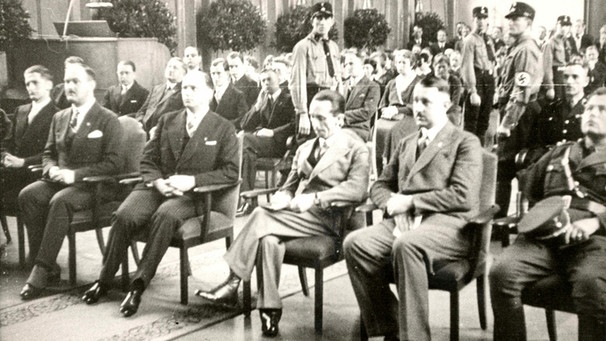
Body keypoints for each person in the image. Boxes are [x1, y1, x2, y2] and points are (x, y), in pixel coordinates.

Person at [196, 90, 369, 338]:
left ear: (339, 120)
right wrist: (284, 196)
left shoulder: (356, 148)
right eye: (312, 117)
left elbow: (357, 189)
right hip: (297, 214)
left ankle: (233, 282)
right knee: (268, 240)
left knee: (260, 215)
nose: (315, 124)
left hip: (331, 218)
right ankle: (270, 311)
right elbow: (289, 184)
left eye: (322, 119)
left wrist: (315, 198)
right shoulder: (306, 146)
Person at [81, 70, 240, 317]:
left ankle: (137, 285)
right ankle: (104, 279)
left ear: (209, 93)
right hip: (157, 188)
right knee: (124, 214)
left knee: (165, 215)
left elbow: (230, 172)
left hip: (194, 195)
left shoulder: (223, 128)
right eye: (185, 88)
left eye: (194, 88)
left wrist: (192, 181)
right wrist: (157, 182)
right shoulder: (168, 120)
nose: (187, 93)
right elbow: (147, 159)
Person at [344, 76, 483, 341]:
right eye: (414, 101)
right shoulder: (406, 142)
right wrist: (394, 207)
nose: (417, 108)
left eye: (425, 102)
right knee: (355, 244)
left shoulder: (465, 142)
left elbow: (462, 195)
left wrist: (410, 203)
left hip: (451, 225)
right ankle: (392, 324)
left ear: (445, 104)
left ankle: (415, 337)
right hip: (404, 221)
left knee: (406, 246)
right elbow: (380, 186)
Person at [490, 86, 606, 341]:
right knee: (501, 273)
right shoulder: (561, 152)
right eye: (589, 109)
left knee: (591, 285)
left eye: (601, 109)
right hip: (544, 238)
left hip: (595, 241)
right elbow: (526, 184)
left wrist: (595, 222)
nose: (592, 114)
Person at [18, 62, 123, 300]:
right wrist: (51, 167)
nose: (70, 86)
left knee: (60, 200)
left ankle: (40, 271)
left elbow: (114, 164)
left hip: (93, 187)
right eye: (67, 82)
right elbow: (48, 152)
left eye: (76, 81)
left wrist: (75, 175)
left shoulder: (108, 119)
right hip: (59, 180)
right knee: (29, 195)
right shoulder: (60, 117)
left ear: (92, 85)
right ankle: (47, 263)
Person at [495, 2, 543, 219]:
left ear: (529, 22)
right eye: (510, 18)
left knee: (504, 167)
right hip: (516, 111)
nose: (511, 22)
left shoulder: (525, 49)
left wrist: (507, 123)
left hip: (519, 115)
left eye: (517, 19)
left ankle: (499, 223)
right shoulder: (518, 47)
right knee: (507, 168)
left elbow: (521, 93)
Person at [237, 68, 296, 216]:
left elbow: (294, 124)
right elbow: (245, 125)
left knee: (243, 140)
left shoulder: (288, 98)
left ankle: (244, 199)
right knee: (246, 152)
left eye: (269, 79)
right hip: (262, 144)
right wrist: (256, 106)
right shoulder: (263, 100)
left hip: (280, 143)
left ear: (279, 79)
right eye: (263, 80)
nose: (265, 83)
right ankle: (249, 199)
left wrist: (273, 132)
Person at [2, 65, 57, 216]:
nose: (31, 87)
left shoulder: (57, 115)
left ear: (49, 85)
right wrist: (6, 156)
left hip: (35, 174)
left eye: (35, 83)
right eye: (27, 84)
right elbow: (8, 142)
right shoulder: (21, 110)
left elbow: (53, 153)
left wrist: (23, 162)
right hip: (11, 172)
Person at [290, 2, 341, 138]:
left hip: (330, 101)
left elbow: (337, 78)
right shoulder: (302, 47)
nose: (322, 22)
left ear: (332, 21)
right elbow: (297, 82)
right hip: (312, 100)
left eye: (326, 18)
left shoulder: (334, 47)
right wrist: (302, 113)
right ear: (312, 21)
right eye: (318, 18)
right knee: (308, 146)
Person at [525, 62, 589, 164]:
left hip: (580, 166)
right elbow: (536, 142)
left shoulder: (592, 110)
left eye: (575, 77)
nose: (569, 81)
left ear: (586, 81)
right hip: (550, 164)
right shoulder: (551, 109)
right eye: (566, 77)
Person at [461, 6, 497, 143]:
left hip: (488, 80)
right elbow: (467, 67)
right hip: (476, 79)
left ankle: (480, 154)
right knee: (472, 122)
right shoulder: (470, 40)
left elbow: (493, 62)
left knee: (484, 122)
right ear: (473, 20)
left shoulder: (488, 40)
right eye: (478, 18)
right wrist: (472, 91)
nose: (481, 21)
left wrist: (495, 88)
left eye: (484, 18)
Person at [135, 57, 186, 135]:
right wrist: (139, 122)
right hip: (144, 130)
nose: (171, 69)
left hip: (163, 133)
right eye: (169, 66)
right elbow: (142, 110)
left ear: (184, 73)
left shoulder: (184, 91)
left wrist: (159, 128)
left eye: (175, 68)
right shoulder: (156, 88)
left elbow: (180, 118)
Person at [339, 50, 381, 142]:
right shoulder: (342, 85)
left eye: (351, 63)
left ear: (362, 65)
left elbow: (366, 112)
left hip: (359, 129)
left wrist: (342, 117)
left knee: (339, 138)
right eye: (346, 64)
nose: (348, 67)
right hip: (340, 127)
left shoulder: (372, 86)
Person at [209, 58, 249, 128]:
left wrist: (223, 126)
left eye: (219, 73)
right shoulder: (208, 95)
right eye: (213, 74)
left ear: (227, 74)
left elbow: (243, 119)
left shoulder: (238, 95)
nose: (215, 77)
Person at [542, 15, 574, 102]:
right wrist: (549, 87)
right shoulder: (550, 44)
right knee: (556, 105)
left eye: (567, 26)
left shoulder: (566, 42)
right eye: (562, 25)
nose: (564, 28)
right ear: (557, 25)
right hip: (556, 79)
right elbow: (546, 67)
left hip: (565, 79)